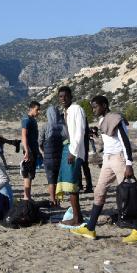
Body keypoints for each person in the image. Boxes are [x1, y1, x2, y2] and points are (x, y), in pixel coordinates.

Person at [71, 95, 137, 243]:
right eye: (92, 107)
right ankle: (90, 228)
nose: (93, 110)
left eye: (96, 106)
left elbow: (125, 141)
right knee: (99, 191)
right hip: (108, 159)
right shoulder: (102, 120)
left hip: (120, 159)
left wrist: (129, 163)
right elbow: (109, 139)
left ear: (104, 105)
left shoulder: (115, 118)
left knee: (128, 195)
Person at [56, 86, 86, 226]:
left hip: (73, 151)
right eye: (60, 97)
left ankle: (77, 218)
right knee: (70, 186)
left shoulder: (76, 109)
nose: (63, 99)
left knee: (72, 185)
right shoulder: (66, 111)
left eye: (65, 96)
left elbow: (80, 131)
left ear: (71, 96)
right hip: (67, 148)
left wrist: (73, 152)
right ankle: (76, 216)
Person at [39, 106, 68, 206]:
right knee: (59, 180)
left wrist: (43, 152)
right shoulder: (62, 127)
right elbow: (67, 140)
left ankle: (52, 200)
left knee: (51, 181)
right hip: (60, 158)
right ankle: (59, 200)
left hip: (48, 158)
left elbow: (40, 142)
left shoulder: (45, 126)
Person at [20, 101, 41, 200]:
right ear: (31, 108)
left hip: (34, 149)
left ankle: (28, 196)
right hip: (29, 150)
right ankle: (26, 197)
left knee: (31, 174)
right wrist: (27, 151)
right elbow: (24, 135)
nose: (39, 112)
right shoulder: (26, 119)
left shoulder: (33, 120)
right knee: (27, 174)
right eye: (37, 109)